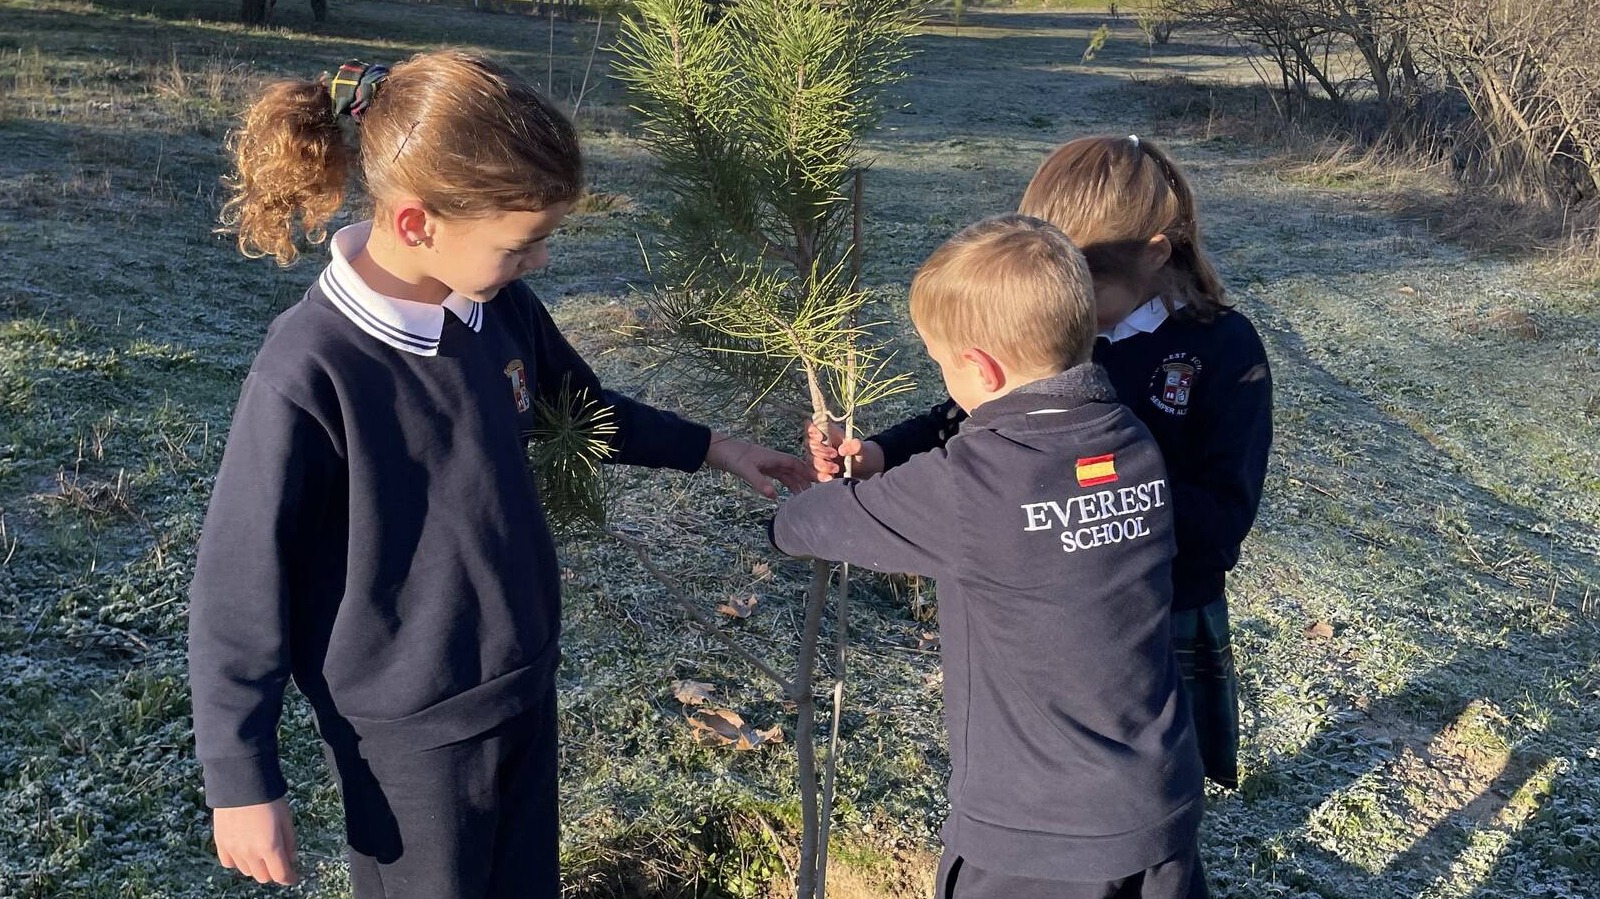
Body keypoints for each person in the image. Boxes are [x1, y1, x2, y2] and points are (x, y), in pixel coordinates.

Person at [187, 52, 811, 898]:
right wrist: (240, 776)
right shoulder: (310, 371)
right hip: (408, 736)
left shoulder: (494, 307)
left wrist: (716, 447)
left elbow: (583, 408)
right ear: (416, 224)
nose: (541, 261)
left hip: (521, 684)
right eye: (523, 244)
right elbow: (238, 580)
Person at [809, 135, 1272, 789]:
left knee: (1155, 778)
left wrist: (1115, 492)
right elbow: (975, 413)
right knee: (1057, 772)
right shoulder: (1059, 325)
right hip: (1050, 596)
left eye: (1085, 282)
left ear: (1156, 255)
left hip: (1161, 609)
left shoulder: (1225, 350)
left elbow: (1224, 517)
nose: (1065, 303)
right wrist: (880, 453)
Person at [774, 214, 1206, 899]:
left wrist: (795, 508)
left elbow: (817, 523)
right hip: (1159, 811)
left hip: (1036, 839)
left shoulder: (973, 482)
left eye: (942, 364)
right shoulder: (1131, 440)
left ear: (979, 367)